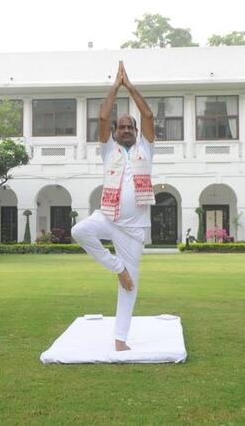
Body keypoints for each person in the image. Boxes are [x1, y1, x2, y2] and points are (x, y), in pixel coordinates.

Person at [71, 61, 155, 351]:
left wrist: (130, 86)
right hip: (107, 216)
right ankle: (116, 266)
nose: (126, 130)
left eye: (130, 127)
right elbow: (103, 116)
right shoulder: (109, 149)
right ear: (116, 133)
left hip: (133, 230)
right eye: (122, 127)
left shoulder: (146, 148)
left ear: (135, 131)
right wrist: (115, 87)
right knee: (79, 230)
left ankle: (120, 339)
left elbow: (148, 114)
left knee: (130, 285)